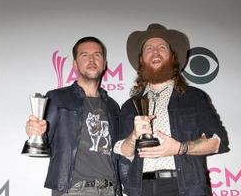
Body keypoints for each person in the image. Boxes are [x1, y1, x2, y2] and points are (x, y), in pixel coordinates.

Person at [114, 23, 229, 196]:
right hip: (141, 189)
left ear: (172, 57)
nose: (155, 52)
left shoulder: (194, 97)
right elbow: (120, 152)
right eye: (149, 49)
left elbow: (217, 140)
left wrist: (180, 148)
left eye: (162, 47)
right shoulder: (130, 106)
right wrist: (132, 137)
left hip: (186, 188)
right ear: (141, 59)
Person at [25, 37, 122, 196]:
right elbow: (42, 138)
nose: (92, 59)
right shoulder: (57, 98)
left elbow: (119, 150)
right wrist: (34, 131)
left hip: (111, 190)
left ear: (104, 64)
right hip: (74, 190)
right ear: (75, 64)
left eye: (97, 55)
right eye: (85, 55)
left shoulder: (112, 106)